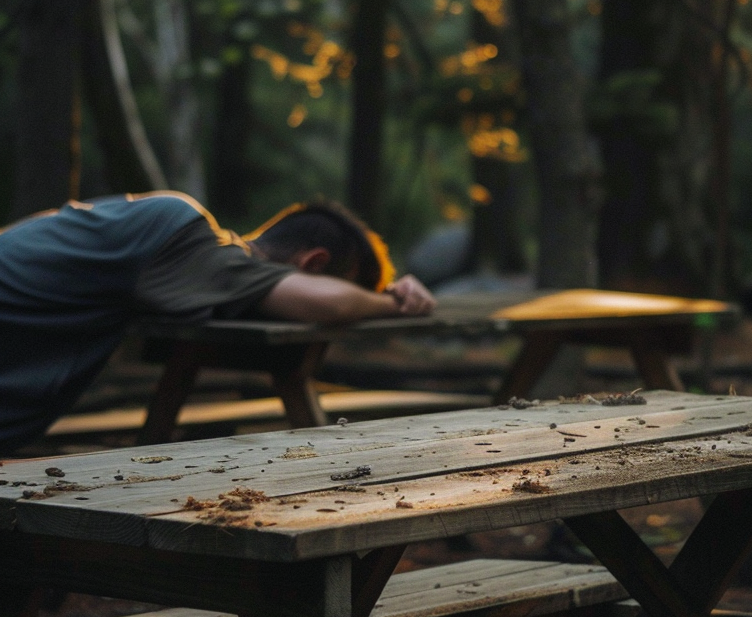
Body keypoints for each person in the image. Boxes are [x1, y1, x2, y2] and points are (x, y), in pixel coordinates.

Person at [0, 191, 434, 449]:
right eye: (348, 284)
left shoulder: (178, 241)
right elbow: (330, 306)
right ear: (313, 263)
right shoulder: (188, 237)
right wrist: (392, 304)